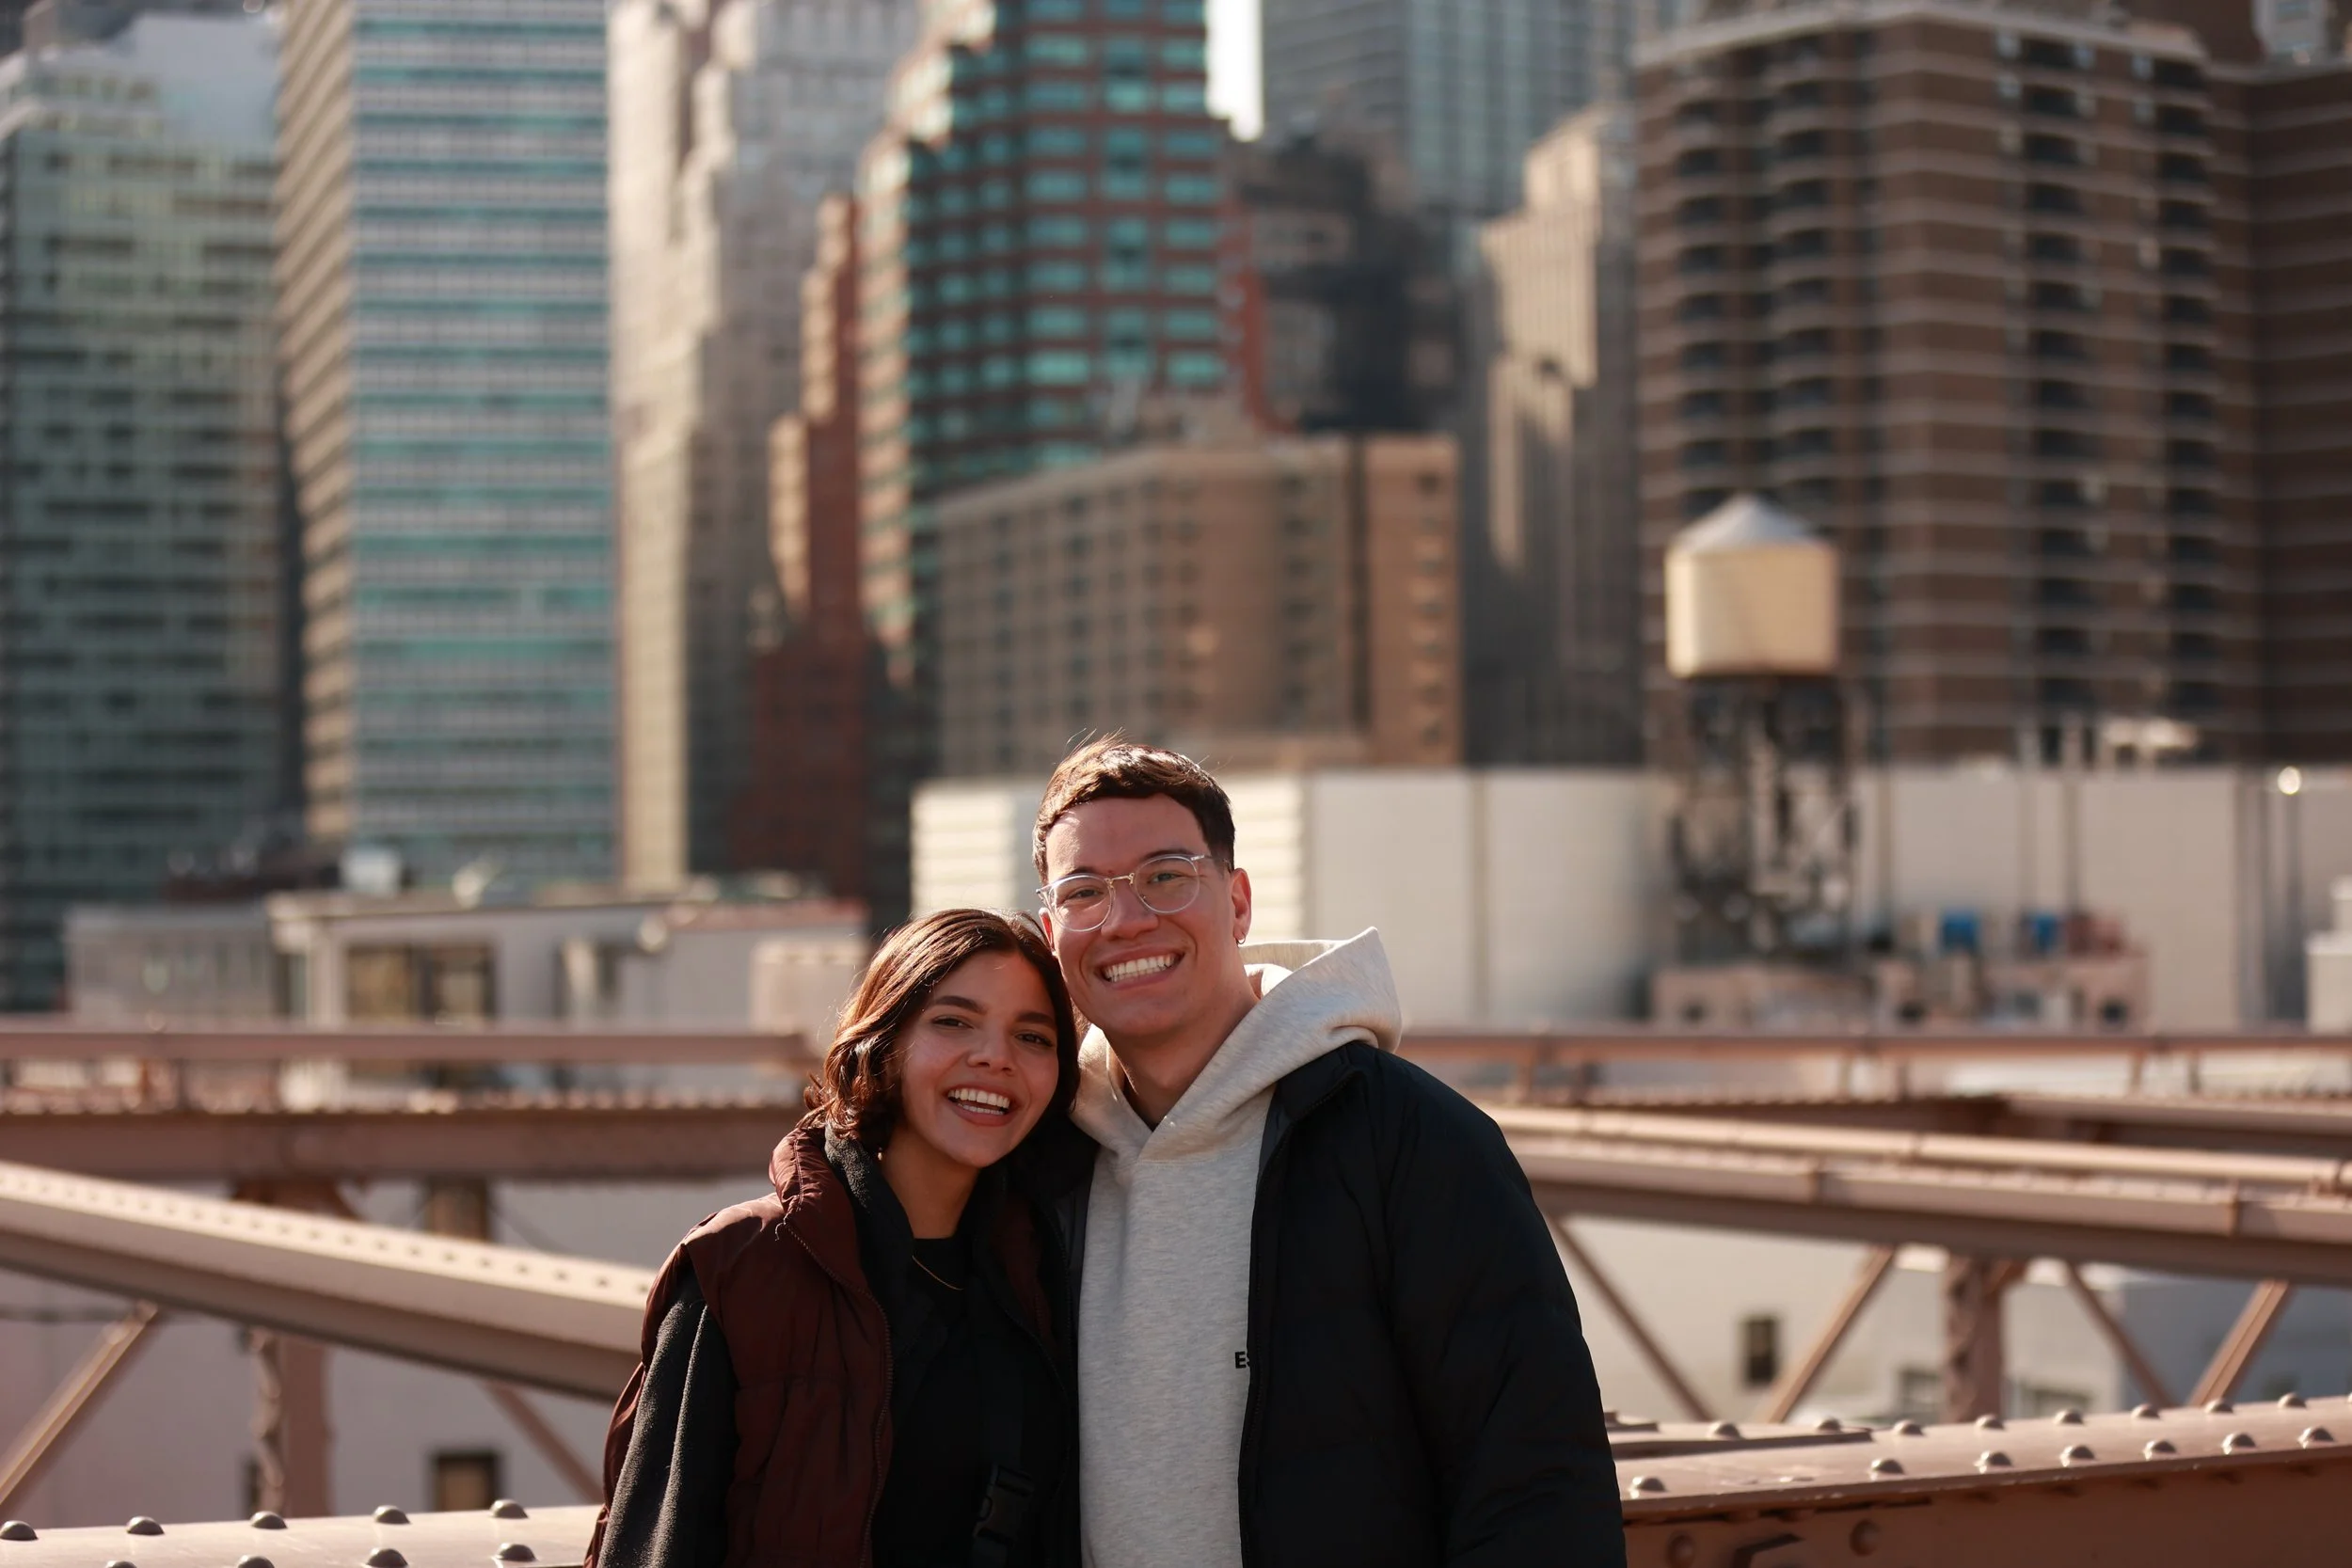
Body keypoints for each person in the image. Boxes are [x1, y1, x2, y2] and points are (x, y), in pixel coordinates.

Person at [1031, 738, 1626, 1568]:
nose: (1127, 919)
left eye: (1166, 876)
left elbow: (1535, 1481)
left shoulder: (1413, 1140)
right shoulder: (1037, 1164)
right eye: (1085, 892)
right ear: (1052, 932)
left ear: (1237, 902)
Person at [584, 908, 1088, 1568]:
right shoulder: (744, 1266)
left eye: (1033, 1036)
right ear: (884, 1041)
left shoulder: (1043, 1267)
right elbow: (656, 1544)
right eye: (954, 1021)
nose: (995, 1056)